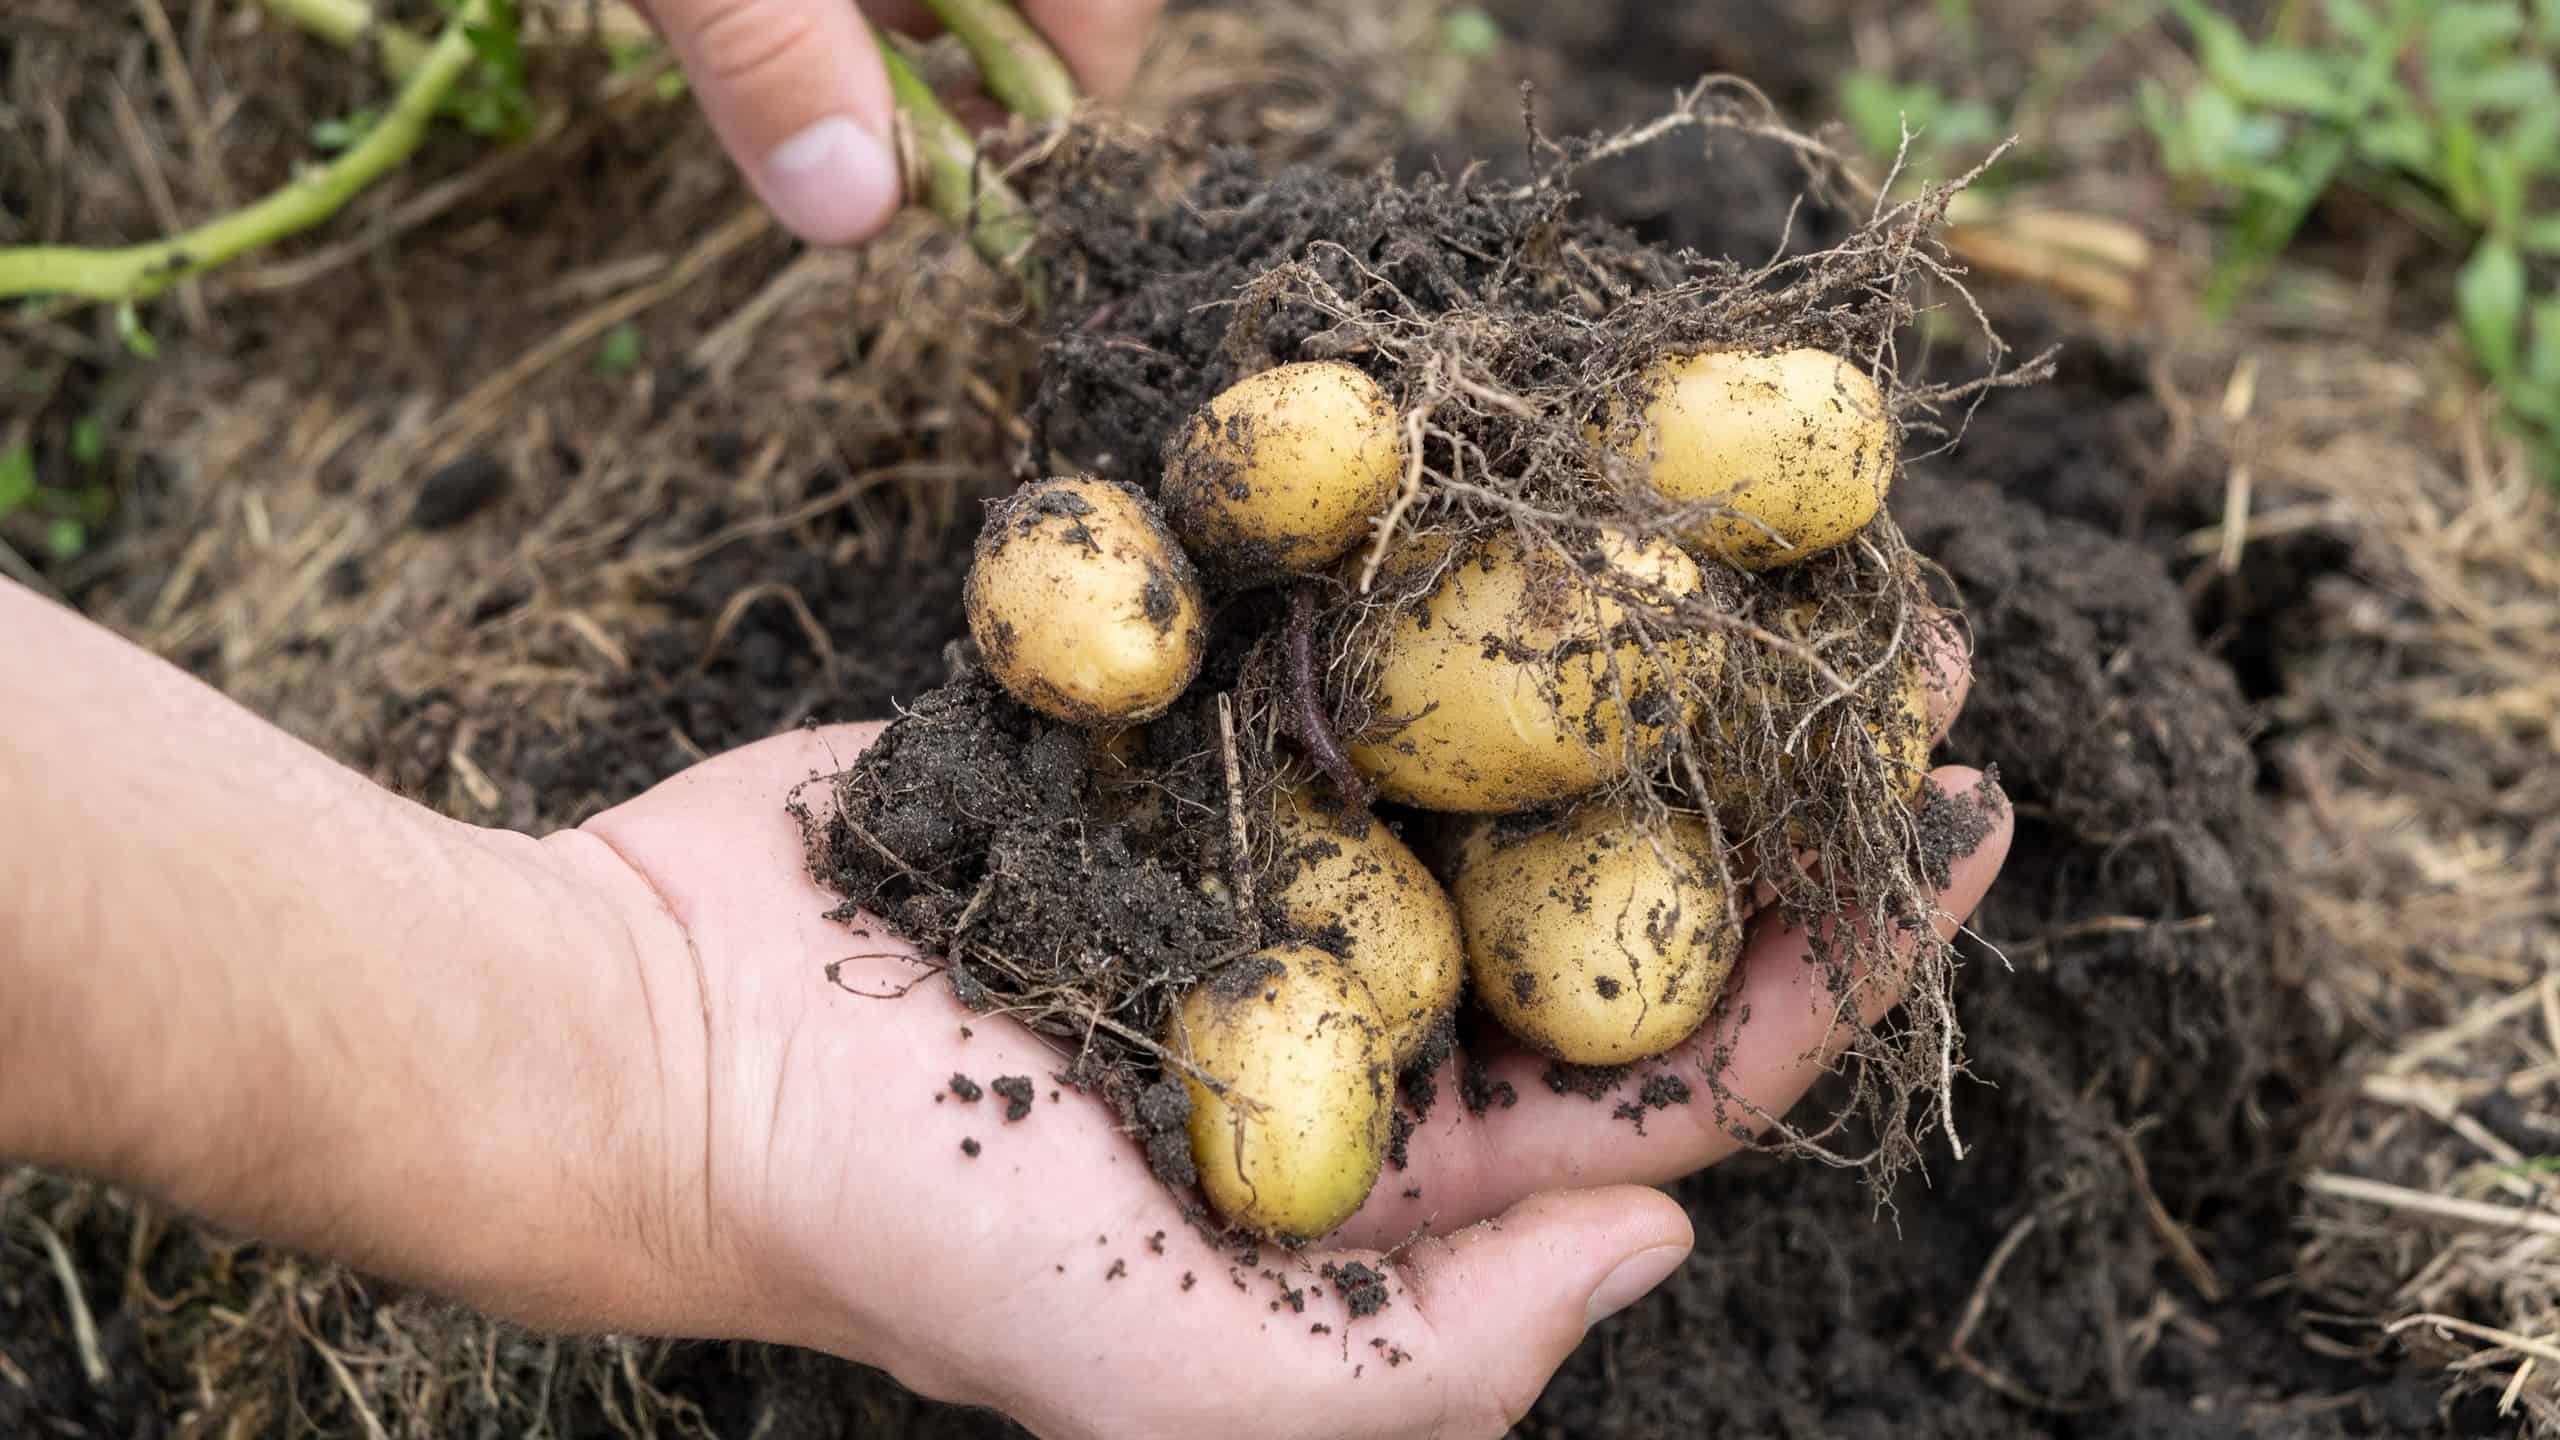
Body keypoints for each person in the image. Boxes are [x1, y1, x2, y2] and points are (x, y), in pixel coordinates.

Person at [0, 7, 2013, 1436]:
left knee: (1552, 870)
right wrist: (653, 1064)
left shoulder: (1419, 569)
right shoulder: (1156, 588)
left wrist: (639, 1052)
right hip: (1236, 596)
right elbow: (1156, 619)